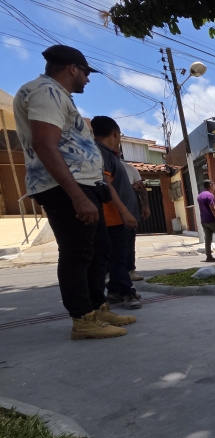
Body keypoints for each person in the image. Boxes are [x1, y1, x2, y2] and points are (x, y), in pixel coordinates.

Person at [13, 45, 135, 339]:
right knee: (78, 252)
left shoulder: (56, 95)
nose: (87, 79)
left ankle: (97, 307)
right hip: (65, 187)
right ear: (72, 68)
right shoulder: (45, 92)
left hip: (84, 186)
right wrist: (77, 195)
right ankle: (83, 318)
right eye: (85, 73)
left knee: (99, 250)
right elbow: (44, 144)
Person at [92, 116, 142, 310]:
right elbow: (107, 187)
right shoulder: (102, 154)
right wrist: (125, 213)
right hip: (114, 218)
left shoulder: (108, 155)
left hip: (118, 217)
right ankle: (127, 292)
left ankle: (114, 292)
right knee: (119, 259)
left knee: (118, 257)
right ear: (115, 133)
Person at [123, 162, 150, 282]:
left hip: (130, 209)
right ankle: (108, 272)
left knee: (129, 241)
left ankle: (130, 270)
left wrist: (145, 206)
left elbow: (141, 188)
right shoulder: (101, 164)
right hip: (110, 211)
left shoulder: (130, 169)